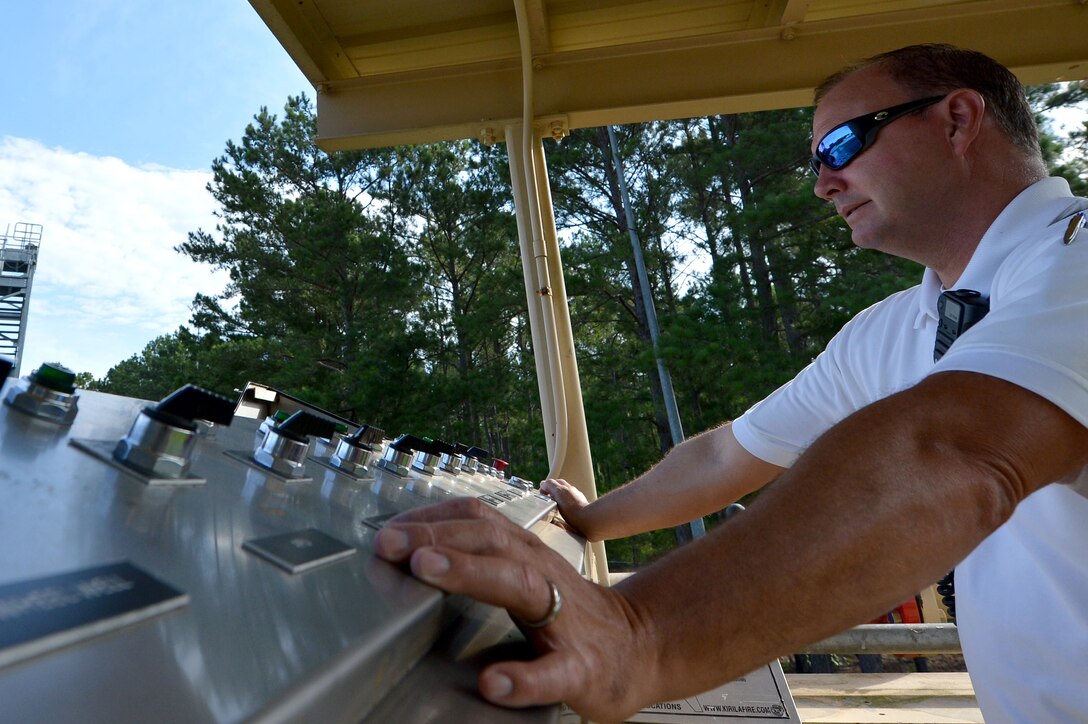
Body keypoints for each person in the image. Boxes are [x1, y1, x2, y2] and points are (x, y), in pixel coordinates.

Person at [375, 44, 1088, 722]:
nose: (822, 183)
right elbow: (725, 457)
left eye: (841, 145)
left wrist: (639, 636)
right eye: (816, 162)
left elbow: (957, 451)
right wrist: (581, 519)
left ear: (959, 120)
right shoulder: (895, 328)